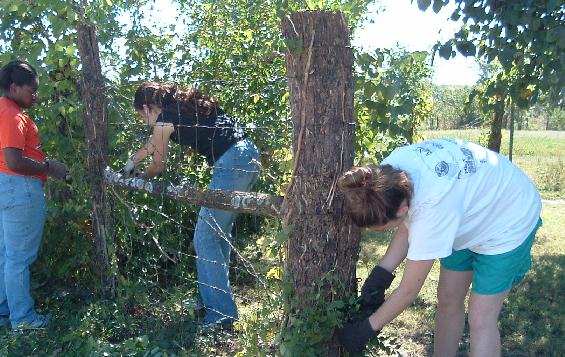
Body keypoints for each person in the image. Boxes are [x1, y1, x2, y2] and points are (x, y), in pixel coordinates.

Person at [336, 138, 542, 356]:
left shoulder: (432, 208)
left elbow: (408, 291)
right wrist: (381, 274)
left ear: (403, 208)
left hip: (509, 219)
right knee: (448, 298)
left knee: (481, 317)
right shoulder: (385, 177)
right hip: (465, 210)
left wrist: (364, 330)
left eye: (384, 228)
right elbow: (408, 225)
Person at [122, 81, 261, 329]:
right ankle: (218, 303)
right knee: (218, 235)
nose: (144, 121)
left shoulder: (164, 120)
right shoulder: (179, 109)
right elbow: (152, 144)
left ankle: (220, 315)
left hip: (231, 162)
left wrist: (141, 177)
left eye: (141, 115)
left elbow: (158, 163)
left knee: (205, 237)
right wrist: (132, 161)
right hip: (248, 154)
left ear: (146, 107)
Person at [0, 60, 67, 331]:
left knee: (7, 254)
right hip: (20, 186)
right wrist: (49, 167)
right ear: (14, 87)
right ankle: (24, 320)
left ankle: (6, 311)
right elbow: (14, 160)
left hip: (7, 186)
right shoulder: (12, 115)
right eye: (31, 89)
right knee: (18, 258)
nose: (35, 95)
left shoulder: (4, 110)